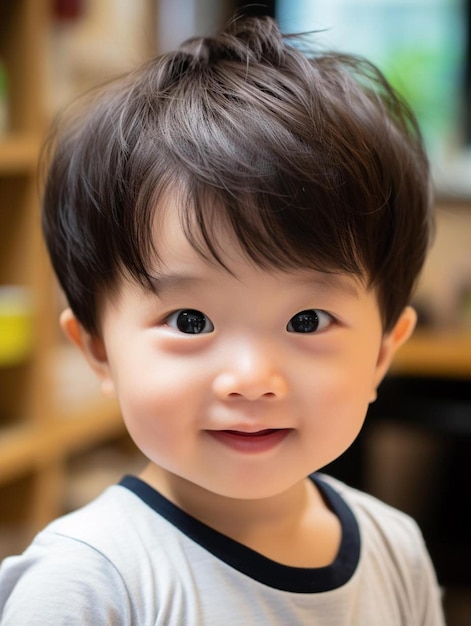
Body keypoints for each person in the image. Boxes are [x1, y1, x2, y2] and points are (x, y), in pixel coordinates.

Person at [0, 15, 444, 625]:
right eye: (188, 320)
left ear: (381, 354)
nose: (251, 378)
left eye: (309, 320)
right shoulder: (88, 585)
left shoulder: (397, 550)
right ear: (99, 350)